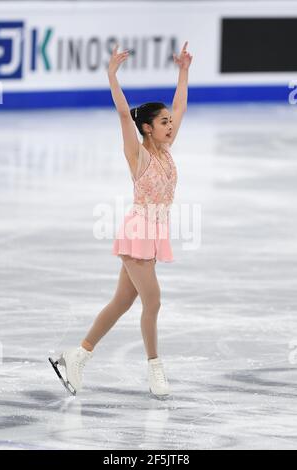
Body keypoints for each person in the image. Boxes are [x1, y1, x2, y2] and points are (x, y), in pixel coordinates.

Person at [49, 41, 192, 398]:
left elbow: (179, 105)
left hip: (154, 231)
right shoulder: (138, 155)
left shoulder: (164, 151)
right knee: (153, 301)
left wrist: (184, 71)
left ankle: (76, 356)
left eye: (171, 122)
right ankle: (154, 368)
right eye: (163, 123)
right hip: (138, 231)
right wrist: (112, 75)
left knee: (123, 302)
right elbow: (122, 112)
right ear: (147, 128)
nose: (171, 125)